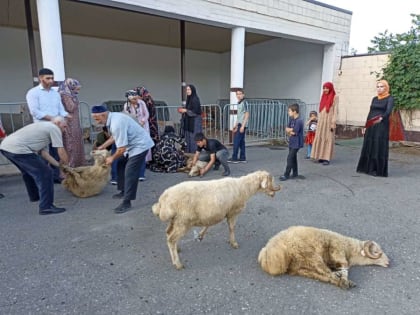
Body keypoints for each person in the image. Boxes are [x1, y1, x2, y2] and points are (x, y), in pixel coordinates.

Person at [91, 105, 154, 214]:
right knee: (120, 163)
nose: (96, 121)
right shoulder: (113, 118)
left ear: (104, 114)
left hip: (140, 146)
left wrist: (111, 158)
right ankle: (123, 190)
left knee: (130, 172)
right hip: (132, 145)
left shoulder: (116, 123)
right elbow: (114, 137)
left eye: (97, 118)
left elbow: (121, 149)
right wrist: (102, 147)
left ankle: (127, 202)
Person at [0, 117, 69, 215]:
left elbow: (44, 154)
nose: (65, 130)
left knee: (27, 172)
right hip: (19, 149)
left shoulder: (43, 127)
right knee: (46, 174)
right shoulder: (54, 128)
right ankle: (46, 207)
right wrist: (68, 167)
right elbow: (61, 150)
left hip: (6, 147)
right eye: (64, 126)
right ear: (57, 123)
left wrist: (59, 166)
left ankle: (35, 196)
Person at [26, 68, 70, 183]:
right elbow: (35, 112)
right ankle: (43, 177)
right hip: (42, 127)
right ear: (41, 78)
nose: (51, 81)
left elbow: (60, 109)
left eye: (52, 78)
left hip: (56, 127)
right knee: (43, 153)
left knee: (55, 152)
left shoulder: (55, 94)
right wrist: (53, 118)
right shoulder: (33, 93)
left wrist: (66, 116)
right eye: (48, 78)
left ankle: (56, 176)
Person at [356, 80, 394, 177]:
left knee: (378, 145)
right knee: (369, 145)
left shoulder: (389, 98)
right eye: (378, 86)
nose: (379, 88)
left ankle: (376, 170)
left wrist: (381, 118)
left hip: (381, 125)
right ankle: (366, 168)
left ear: (386, 88)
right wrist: (366, 126)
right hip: (371, 125)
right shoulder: (374, 99)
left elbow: (388, 111)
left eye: (382, 86)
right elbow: (370, 113)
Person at [123, 90, 151, 181]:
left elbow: (146, 114)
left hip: (143, 126)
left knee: (143, 148)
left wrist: (142, 121)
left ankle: (141, 173)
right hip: (133, 128)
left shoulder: (142, 103)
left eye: (136, 98)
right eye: (133, 99)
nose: (136, 100)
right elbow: (127, 117)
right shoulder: (126, 106)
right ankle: (133, 172)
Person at [58, 78, 86, 167]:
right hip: (68, 123)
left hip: (74, 122)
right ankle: (70, 165)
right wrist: (74, 99)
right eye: (76, 88)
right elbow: (70, 107)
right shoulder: (65, 95)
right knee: (70, 145)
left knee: (76, 144)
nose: (77, 91)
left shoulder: (70, 95)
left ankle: (78, 164)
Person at [310, 82, 338, 165]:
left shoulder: (335, 97)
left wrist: (333, 122)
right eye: (324, 88)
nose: (325, 89)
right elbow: (321, 110)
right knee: (320, 137)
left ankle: (326, 158)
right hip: (322, 121)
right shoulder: (323, 97)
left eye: (327, 88)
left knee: (328, 138)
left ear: (330, 88)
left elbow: (335, 111)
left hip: (329, 121)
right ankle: (320, 156)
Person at [279, 103, 304, 181]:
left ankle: (286, 174)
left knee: (290, 158)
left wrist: (290, 131)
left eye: (289, 111)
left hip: (297, 143)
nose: (288, 112)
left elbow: (294, 131)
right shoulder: (291, 120)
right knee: (293, 157)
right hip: (292, 141)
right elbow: (287, 129)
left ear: (295, 111)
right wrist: (290, 131)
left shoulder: (299, 121)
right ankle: (295, 173)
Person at [228, 89, 249, 163]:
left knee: (236, 141)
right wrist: (236, 125)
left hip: (243, 124)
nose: (238, 95)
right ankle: (243, 157)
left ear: (243, 94)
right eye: (237, 94)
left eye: (240, 94)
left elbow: (246, 114)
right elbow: (239, 115)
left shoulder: (244, 103)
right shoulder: (239, 103)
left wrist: (243, 126)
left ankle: (234, 157)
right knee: (241, 142)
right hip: (239, 124)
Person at [179, 84, 202, 153]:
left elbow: (196, 112)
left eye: (189, 89)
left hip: (195, 123)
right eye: (187, 90)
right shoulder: (189, 99)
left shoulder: (195, 99)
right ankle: (189, 152)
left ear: (192, 90)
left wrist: (186, 110)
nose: (187, 91)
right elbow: (189, 109)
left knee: (194, 138)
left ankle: (194, 153)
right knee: (188, 137)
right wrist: (184, 110)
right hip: (189, 122)